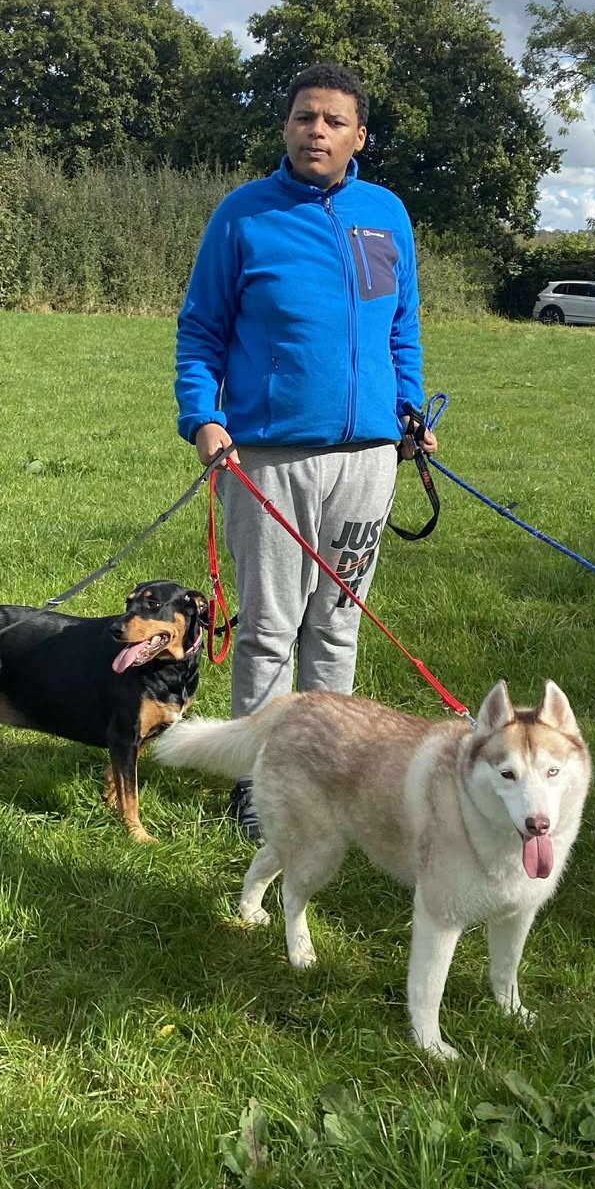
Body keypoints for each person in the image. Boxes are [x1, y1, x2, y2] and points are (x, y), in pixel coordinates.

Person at [173, 61, 436, 836]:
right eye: (302, 117)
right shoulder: (244, 216)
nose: (315, 131)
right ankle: (261, 788)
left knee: (339, 621)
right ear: (286, 127)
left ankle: (332, 774)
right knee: (267, 626)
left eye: (331, 121)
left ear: (360, 136)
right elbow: (201, 330)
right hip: (267, 459)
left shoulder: (386, 215)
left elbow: (401, 329)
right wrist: (204, 418)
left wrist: (407, 410)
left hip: (368, 459)